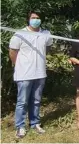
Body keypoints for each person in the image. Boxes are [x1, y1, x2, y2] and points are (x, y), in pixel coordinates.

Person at [8, 11, 53, 139]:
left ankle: (35, 123)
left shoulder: (46, 34)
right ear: (28, 19)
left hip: (40, 73)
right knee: (22, 101)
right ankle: (20, 127)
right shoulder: (20, 34)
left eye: (38, 18)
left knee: (36, 100)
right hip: (24, 74)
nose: (36, 20)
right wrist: (19, 65)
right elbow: (12, 51)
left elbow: (48, 48)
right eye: (33, 18)